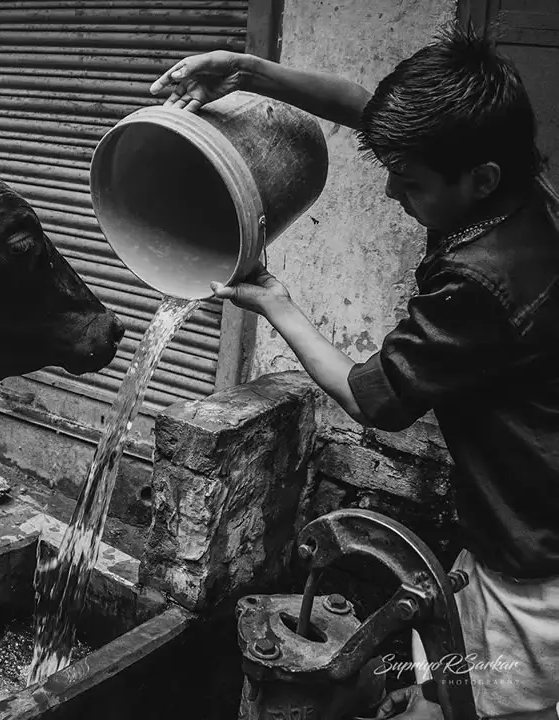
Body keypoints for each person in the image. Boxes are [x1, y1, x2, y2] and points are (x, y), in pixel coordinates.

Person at [150, 22, 559, 720]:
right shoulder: (518, 182)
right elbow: (359, 104)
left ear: (479, 179)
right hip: (516, 525)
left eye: (412, 181)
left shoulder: (480, 283)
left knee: (483, 707)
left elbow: (373, 398)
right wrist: (248, 70)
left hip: (534, 567)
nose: (392, 193)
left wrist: (278, 303)